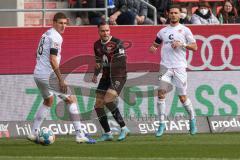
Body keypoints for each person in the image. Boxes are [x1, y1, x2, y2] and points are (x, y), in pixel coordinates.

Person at [27, 12, 95, 144]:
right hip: (48, 75)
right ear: (54, 23)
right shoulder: (56, 37)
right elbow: (53, 59)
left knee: (48, 101)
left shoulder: (45, 34)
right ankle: (80, 134)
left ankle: (33, 133)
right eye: (60, 23)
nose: (63, 26)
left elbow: (37, 53)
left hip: (38, 74)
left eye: (65, 23)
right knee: (72, 99)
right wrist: (60, 79)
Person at [149, 5, 198, 137]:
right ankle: (161, 124)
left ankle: (192, 119)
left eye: (176, 13)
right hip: (165, 67)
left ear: (179, 15)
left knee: (182, 97)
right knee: (161, 94)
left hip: (180, 67)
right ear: (168, 14)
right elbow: (156, 43)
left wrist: (182, 44)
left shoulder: (185, 30)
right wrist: (153, 48)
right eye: (171, 13)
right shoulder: (162, 31)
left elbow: (195, 47)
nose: (173, 15)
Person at [92, 21, 130, 141]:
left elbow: (122, 62)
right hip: (105, 77)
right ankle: (107, 133)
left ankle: (124, 128)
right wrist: (95, 74)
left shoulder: (117, 43)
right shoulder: (97, 45)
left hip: (118, 76)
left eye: (107, 30)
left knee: (108, 100)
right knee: (98, 105)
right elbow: (99, 62)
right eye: (103, 31)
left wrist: (111, 60)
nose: (105, 33)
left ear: (110, 30)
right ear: (98, 31)